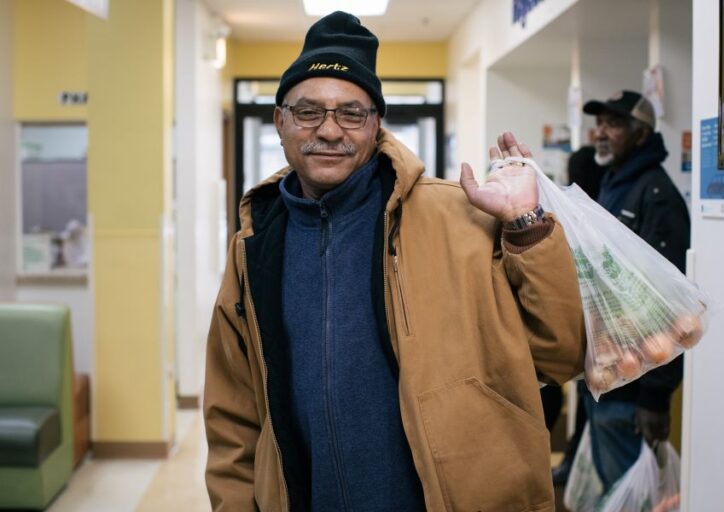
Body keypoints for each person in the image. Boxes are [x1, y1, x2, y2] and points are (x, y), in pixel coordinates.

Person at [203, 10, 586, 512]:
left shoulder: (460, 217)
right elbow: (234, 414)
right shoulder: (255, 246)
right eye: (308, 111)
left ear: (376, 123)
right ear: (280, 122)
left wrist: (528, 226)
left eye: (351, 113)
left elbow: (561, 354)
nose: (330, 130)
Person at [577, 90, 690, 492]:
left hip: (634, 386)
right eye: (599, 123)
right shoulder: (615, 182)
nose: (601, 133)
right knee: (615, 488)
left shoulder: (656, 196)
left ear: (641, 135)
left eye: (614, 124)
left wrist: (655, 397)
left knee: (631, 491)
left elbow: (669, 307)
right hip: (606, 372)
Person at [548, 144, 607, 486]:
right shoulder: (584, 217)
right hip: (589, 353)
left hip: (598, 354)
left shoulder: (586, 219)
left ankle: (571, 468)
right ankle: (571, 467)